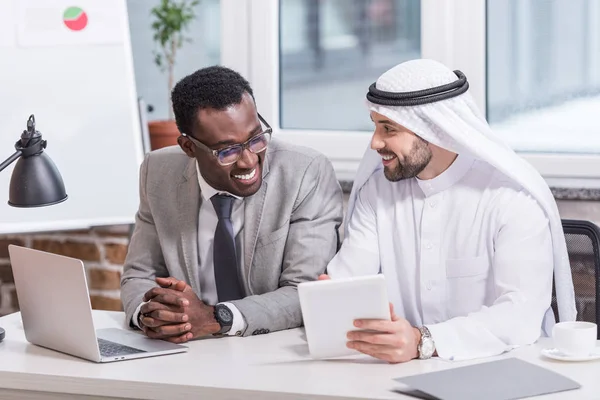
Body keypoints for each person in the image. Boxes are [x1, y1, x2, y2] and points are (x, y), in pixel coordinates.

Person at [323, 59, 576, 363]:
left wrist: (422, 341)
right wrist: (331, 298)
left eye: (388, 129)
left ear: (434, 130)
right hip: (399, 375)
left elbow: (520, 313)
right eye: (375, 126)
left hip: (506, 371)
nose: (375, 142)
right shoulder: (376, 194)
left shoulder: (511, 199)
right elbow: (349, 282)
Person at [121, 65, 343, 343]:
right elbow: (139, 274)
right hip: (189, 351)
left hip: (271, 349)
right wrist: (152, 314)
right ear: (188, 147)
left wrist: (216, 318)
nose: (249, 160)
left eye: (256, 138)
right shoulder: (158, 171)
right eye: (227, 151)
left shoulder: (304, 172)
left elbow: (305, 291)